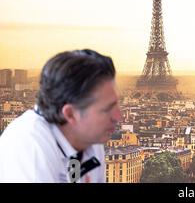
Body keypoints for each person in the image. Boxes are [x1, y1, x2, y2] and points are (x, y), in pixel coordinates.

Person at [0, 49, 121, 182]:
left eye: (116, 104)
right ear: (70, 114)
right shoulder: (29, 148)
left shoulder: (90, 138)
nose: (118, 116)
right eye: (106, 109)